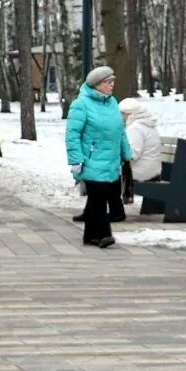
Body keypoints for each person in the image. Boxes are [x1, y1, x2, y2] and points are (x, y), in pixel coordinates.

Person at [66, 65, 131, 248]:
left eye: (113, 82)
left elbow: (121, 132)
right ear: (96, 84)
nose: (112, 85)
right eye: (108, 82)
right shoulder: (81, 104)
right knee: (98, 197)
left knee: (98, 198)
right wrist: (76, 160)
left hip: (110, 161)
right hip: (91, 159)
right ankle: (103, 235)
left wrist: (126, 154)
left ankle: (90, 236)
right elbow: (72, 135)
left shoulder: (111, 103)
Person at [118, 97, 162, 203]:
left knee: (104, 173)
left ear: (128, 114)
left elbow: (132, 155)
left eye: (121, 114)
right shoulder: (146, 124)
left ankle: (111, 210)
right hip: (151, 169)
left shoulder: (135, 127)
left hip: (141, 171)